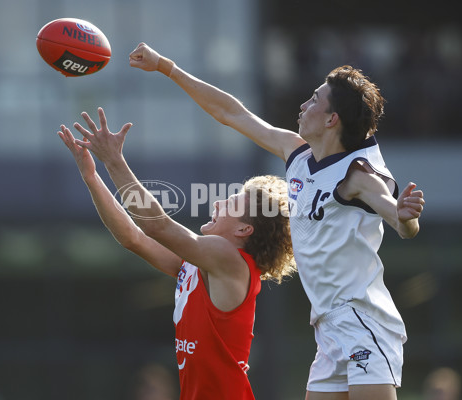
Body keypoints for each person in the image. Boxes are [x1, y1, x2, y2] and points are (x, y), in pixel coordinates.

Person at [128, 43, 426, 400]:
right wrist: (167, 66)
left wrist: (406, 217)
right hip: (327, 327)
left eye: (315, 100)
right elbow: (231, 113)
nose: (304, 105)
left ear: (332, 120)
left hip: (363, 319)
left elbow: (400, 222)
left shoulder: (357, 175)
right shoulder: (296, 152)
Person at [57, 107, 295, 400]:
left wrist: (114, 161)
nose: (218, 204)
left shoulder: (230, 259)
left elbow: (158, 227)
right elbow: (135, 239)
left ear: (244, 230)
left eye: (231, 203)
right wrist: (92, 178)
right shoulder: (204, 263)